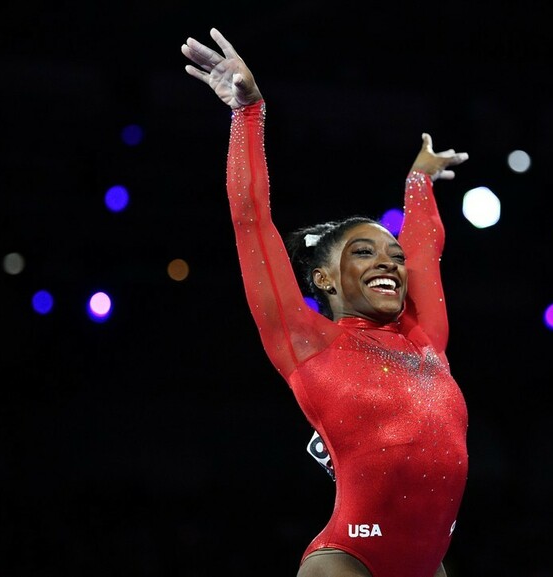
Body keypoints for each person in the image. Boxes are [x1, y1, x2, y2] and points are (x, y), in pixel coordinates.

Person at [181, 27, 471, 577]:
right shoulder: (307, 343)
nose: (389, 263)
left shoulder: (426, 338)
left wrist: (420, 181)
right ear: (323, 279)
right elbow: (250, 220)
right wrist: (248, 114)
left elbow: (423, 248)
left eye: (392, 256)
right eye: (364, 253)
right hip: (349, 560)